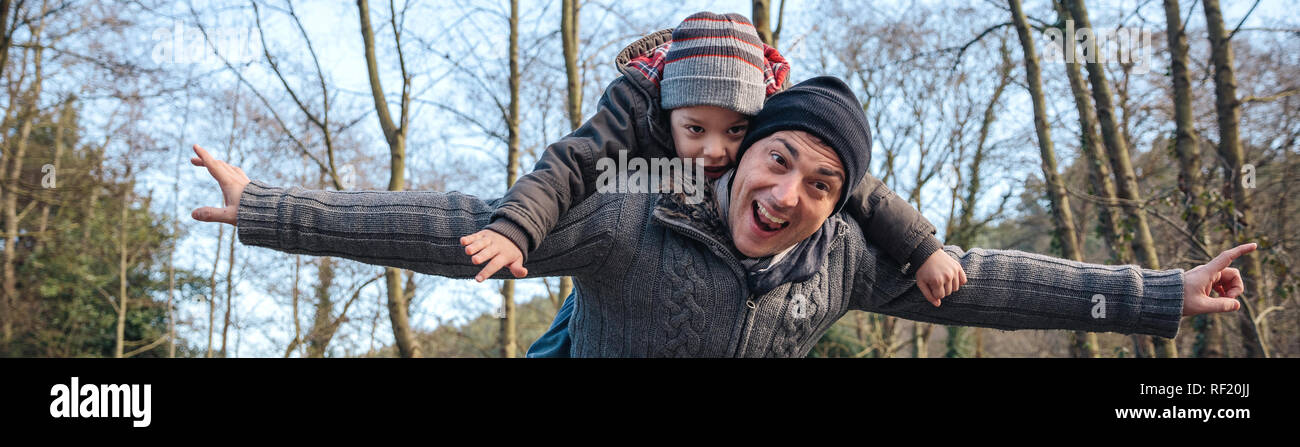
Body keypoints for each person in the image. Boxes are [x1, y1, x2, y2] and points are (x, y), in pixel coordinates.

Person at [191, 76, 1248, 357]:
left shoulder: (837, 259)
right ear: (741, 149)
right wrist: (270, 209)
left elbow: (993, 284)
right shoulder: (634, 206)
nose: (788, 196)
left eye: (822, 186)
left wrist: (1160, 293)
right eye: (778, 161)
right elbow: (455, 225)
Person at [460, 12, 963, 357]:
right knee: (567, 330)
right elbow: (569, 166)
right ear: (669, 111)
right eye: (696, 130)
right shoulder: (634, 113)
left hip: (709, 244)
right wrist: (513, 228)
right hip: (626, 253)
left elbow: (863, 192)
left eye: (736, 132)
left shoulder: (781, 133)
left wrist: (923, 249)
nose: (716, 151)